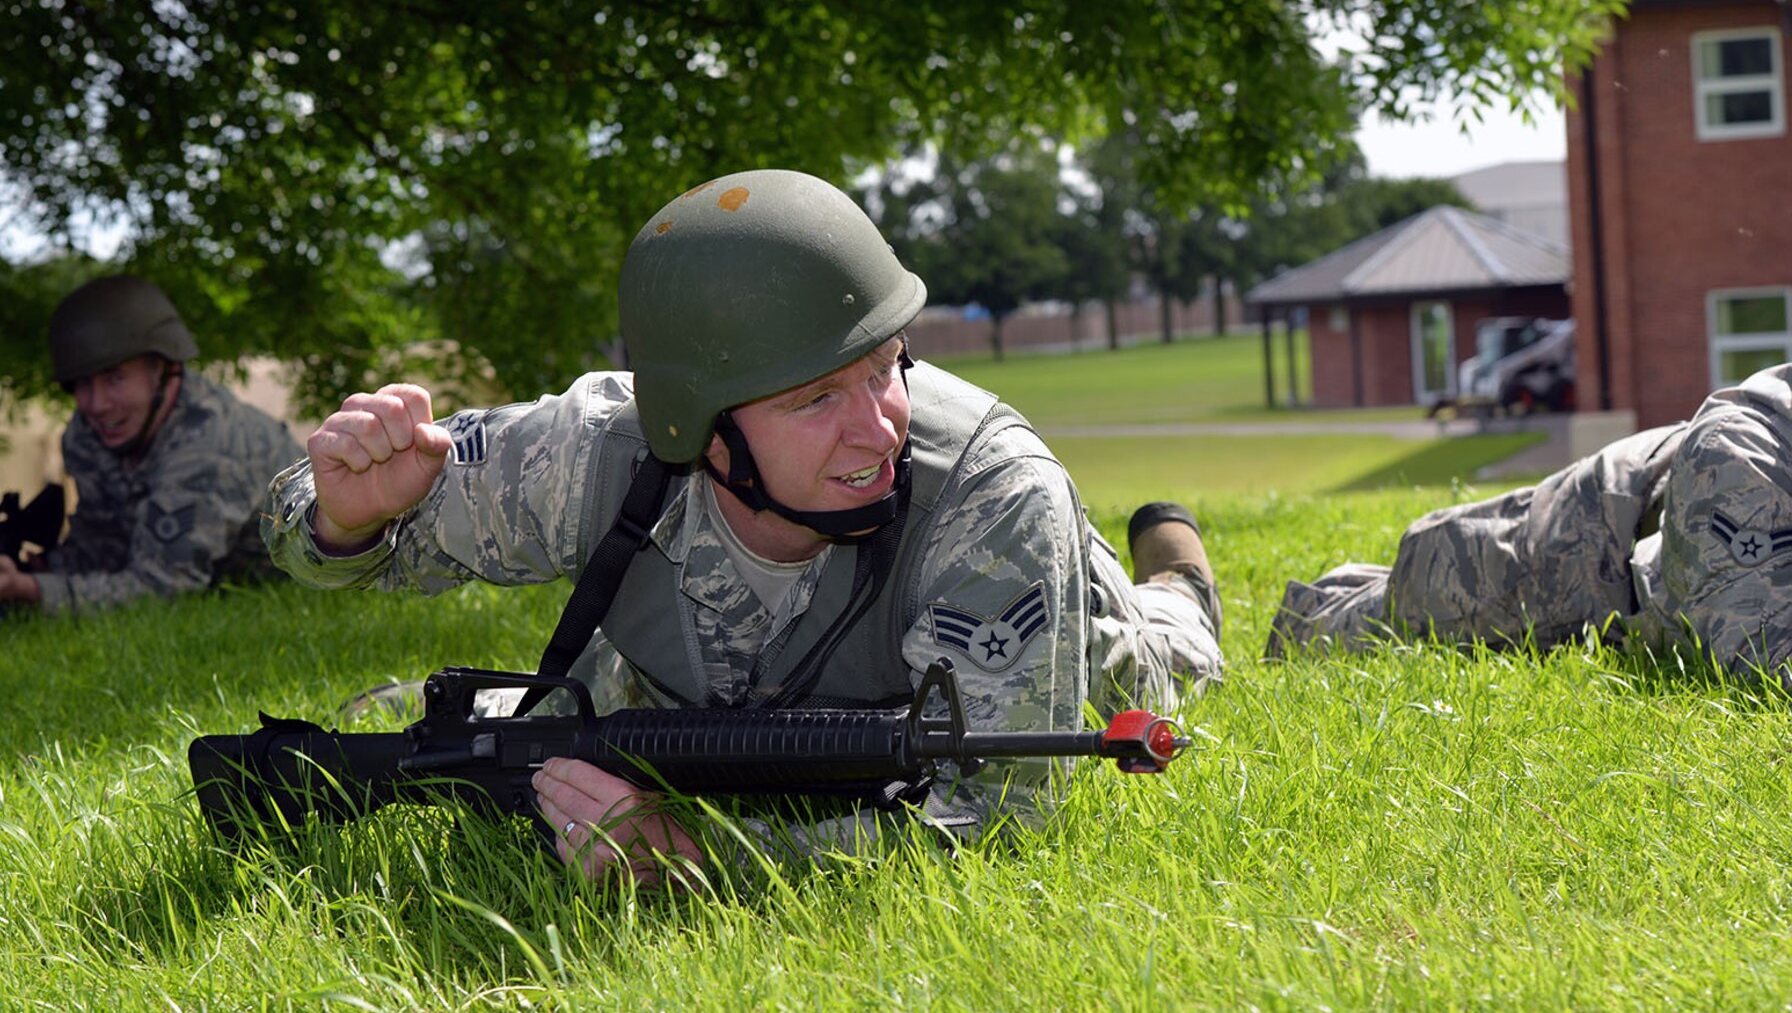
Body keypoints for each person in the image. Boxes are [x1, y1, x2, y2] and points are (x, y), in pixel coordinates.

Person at [263, 169, 1225, 884]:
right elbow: (301, 521)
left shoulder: (990, 498)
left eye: (889, 365)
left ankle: (1176, 571)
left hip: (1072, 622)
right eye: (815, 398)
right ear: (697, 424)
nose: (879, 422)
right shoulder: (599, 449)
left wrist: (705, 857)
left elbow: (995, 826)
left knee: (1169, 643)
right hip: (691, 698)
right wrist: (342, 520)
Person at [1268, 362, 1792, 679]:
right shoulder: (1741, 457)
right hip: (1585, 550)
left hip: (1669, 542)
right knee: (1408, 607)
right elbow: (1755, 653)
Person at [0, 274, 306, 615]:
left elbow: (165, 588)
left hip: (287, 589)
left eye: (115, 378)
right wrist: (37, 567)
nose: (96, 404)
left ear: (163, 369)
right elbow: (105, 542)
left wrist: (35, 592)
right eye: (82, 384)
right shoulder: (87, 433)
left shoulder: (207, 445)